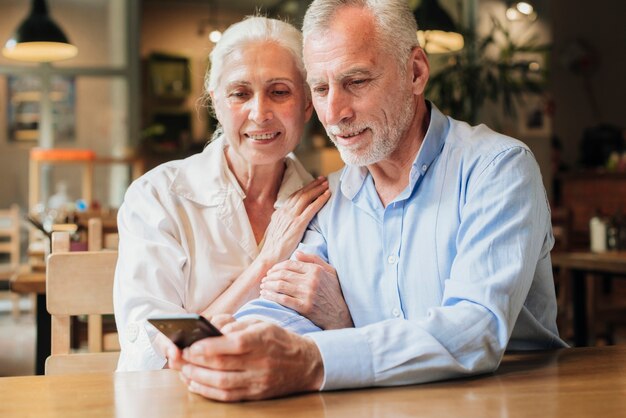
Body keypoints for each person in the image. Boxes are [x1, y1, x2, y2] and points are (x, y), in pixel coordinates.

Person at [168, 0, 567, 401]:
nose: (334, 113)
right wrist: (238, 339)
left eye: (356, 82)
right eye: (321, 89)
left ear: (415, 72)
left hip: (507, 401)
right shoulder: (329, 196)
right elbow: (284, 309)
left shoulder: (497, 169)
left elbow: (474, 330)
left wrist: (312, 357)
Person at [113, 16, 353, 371]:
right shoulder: (158, 197)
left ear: (306, 104)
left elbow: (351, 337)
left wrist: (338, 314)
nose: (260, 113)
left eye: (279, 91)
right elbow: (158, 350)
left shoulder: (332, 204)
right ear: (217, 104)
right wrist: (265, 264)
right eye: (240, 94)